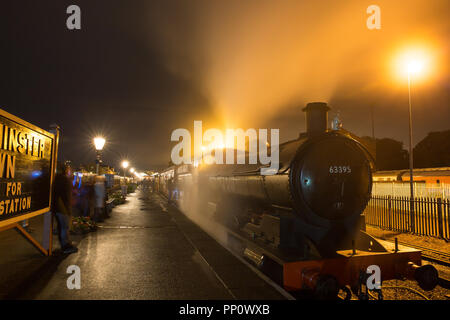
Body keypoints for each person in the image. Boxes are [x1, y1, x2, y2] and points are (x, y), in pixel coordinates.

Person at [53, 162, 78, 254]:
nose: (70, 171)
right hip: (62, 208)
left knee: (62, 227)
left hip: (59, 207)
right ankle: (65, 246)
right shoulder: (64, 180)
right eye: (68, 169)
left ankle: (65, 244)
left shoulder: (57, 179)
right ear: (65, 170)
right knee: (64, 227)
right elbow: (66, 195)